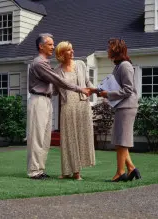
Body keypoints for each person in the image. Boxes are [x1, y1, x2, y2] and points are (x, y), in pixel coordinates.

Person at [27, 33, 92, 180]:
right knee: (37, 137)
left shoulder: (46, 63)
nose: (52, 47)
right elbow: (58, 80)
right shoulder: (39, 63)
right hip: (38, 100)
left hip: (46, 100)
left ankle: (40, 169)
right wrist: (79, 89)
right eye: (50, 44)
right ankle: (34, 171)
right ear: (41, 46)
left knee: (45, 138)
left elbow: (55, 86)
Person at [98, 38, 141, 182]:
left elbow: (128, 90)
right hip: (121, 106)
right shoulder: (118, 66)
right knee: (118, 140)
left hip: (127, 106)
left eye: (110, 48)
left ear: (116, 49)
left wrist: (108, 94)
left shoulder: (125, 66)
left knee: (122, 141)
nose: (108, 50)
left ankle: (120, 172)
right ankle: (131, 169)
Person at [54, 41, 95, 180]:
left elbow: (87, 82)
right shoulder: (57, 71)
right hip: (67, 106)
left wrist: (96, 90)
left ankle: (77, 172)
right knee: (68, 138)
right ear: (61, 53)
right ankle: (67, 171)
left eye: (72, 49)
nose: (72, 52)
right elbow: (54, 91)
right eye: (69, 50)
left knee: (80, 137)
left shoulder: (80, 64)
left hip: (82, 104)